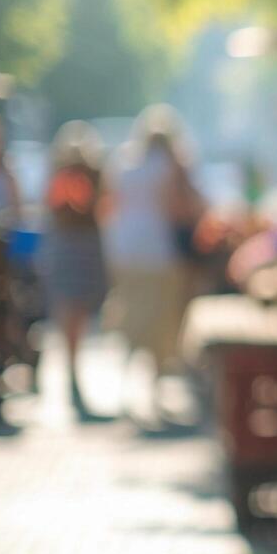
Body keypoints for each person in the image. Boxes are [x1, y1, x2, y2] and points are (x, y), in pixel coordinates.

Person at [103, 105, 204, 425]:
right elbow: (183, 208)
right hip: (159, 251)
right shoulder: (170, 166)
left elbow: (109, 206)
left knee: (133, 316)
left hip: (124, 249)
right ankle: (154, 390)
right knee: (161, 321)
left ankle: (126, 386)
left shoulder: (123, 163)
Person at [39, 121, 108, 418]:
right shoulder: (59, 174)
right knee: (69, 312)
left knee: (79, 312)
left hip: (84, 245)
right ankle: (70, 374)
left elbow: (101, 207)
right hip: (69, 245)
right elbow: (55, 206)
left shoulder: (95, 173)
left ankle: (73, 373)